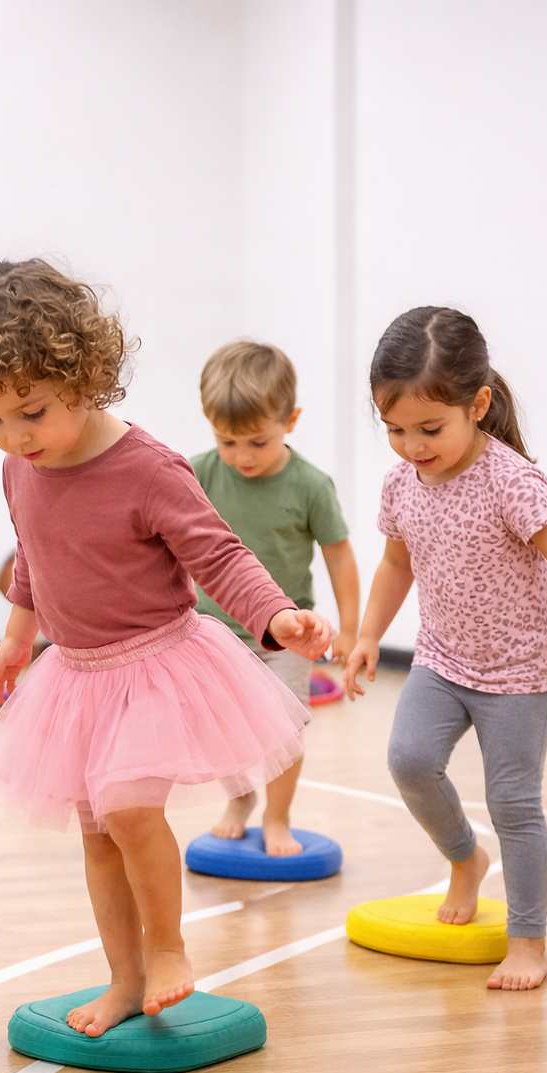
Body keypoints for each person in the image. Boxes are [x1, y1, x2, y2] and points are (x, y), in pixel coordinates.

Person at [0, 255, 331, 1036]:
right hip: (76, 678)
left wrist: (277, 618)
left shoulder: (149, 469)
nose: (13, 436)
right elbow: (33, 556)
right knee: (98, 833)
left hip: (158, 665)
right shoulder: (21, 468)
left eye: (31, 411)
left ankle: (170, 951)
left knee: (128, 807)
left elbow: (220, 556)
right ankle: (123, 977)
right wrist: (15, 640)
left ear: (84, 375)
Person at [344, 306, 547, 991]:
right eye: (395, 430)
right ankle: (465, 860)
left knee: (514, 803)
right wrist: (367, 637)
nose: (412, 446)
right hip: (442, 659)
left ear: (478, 404)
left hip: (520, 670)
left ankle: (528, 940)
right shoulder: (401, 483)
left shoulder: (512, 483)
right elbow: (395, 566)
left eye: (429, 429)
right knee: (409, 760)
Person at [191, 339, 359, 854]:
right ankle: (238, 798)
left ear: (291, 420)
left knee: (284, 732)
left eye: (257, 443)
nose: (242, 457)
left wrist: (350, 629)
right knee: (221, 732)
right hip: (213, 635)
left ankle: (278, 816)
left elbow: (339, 555)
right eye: (227, 441)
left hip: (285, 637)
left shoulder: (309, 485)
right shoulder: (196, 474)